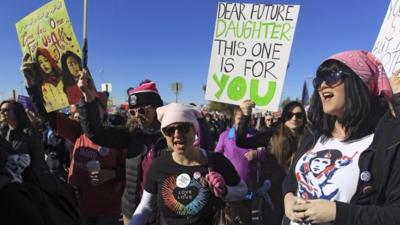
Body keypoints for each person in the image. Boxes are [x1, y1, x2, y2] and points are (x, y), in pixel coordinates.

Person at [282, 50, 400, 225]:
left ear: (359, 82)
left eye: (331, 76)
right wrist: (288, 197)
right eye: (318, 80)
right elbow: (293, 178)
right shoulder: (314, 134)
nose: (322, 85)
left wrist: (337, 212)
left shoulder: (389, 141)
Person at [21, 59, 126, 225]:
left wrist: (111, 174)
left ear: (103, 111)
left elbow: (133, 172)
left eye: (90, 106)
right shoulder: (77, 130)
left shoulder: (117, 137)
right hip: (78, 205)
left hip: (107, 210)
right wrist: (32, 84)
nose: (85, 111)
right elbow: (48, 116)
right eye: (82, 106)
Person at [129, 103, 247, 225]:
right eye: (170, 130)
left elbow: (243, 190)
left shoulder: (216, 160)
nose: (177, 134)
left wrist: (225, 191)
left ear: (194, 130)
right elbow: (146, 207)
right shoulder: (158, 165)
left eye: (183, 128)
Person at [236, 100, 307, 225]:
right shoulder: (272, 135)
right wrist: (246, 115)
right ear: (284, 117)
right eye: (290, 115)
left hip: (301, 190)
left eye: (299, 115)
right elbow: (241, 142)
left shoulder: (310, 138)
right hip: (274, 190)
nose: (294, 118)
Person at [215, 107, 262, 224]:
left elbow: (268, 152)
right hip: (230, 186)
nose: (242, 122)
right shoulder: (225, 135)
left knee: (246, 215)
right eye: (239, 119)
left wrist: (257, 153)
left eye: (244, 118)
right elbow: (216, 156)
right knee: (230, 217)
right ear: (234, 119)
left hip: (249, 185)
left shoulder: (255, 134)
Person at [0, 100, 48, 171]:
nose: (1, 113)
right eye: (0, 110)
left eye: (5, 110)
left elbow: (39, 161)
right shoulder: (3, 134)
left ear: (16, 112)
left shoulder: (30, 133)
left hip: (32, 178)